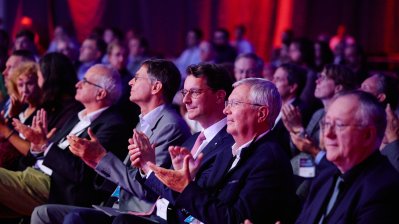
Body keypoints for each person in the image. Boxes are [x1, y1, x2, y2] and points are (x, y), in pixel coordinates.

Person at [31, 59, 191, 224]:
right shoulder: (145, 121)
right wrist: (94, 161)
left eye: (136, 78)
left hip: (137, 213)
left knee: (74, 218)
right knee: (43, 213)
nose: (130, 82)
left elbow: (147, 189)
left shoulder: (170, 126)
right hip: (114, 204)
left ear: (156, 87)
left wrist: (101, 158)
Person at [144, 78, 299, 223]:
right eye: (228, 103)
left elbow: (234, 219)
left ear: (261, 114)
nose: (226, 111)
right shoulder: (228, 150)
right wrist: (189, 179)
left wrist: (186, 186)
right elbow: (208, 201)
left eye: (235, 103)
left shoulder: (269, 160)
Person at [109, 63, 235, 224]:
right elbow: (165, 187)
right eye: (185, 92)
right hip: (153, 214)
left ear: (219, 96)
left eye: (194, 92)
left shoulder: (229, 144)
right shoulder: (193, 139)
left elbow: (190, 195)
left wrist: (149, 167)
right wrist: (146, 167)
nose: (185, 100)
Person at [0, 64, 130, 218]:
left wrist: (45, 145)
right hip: (33, 173)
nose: (78, 84)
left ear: (100, 93)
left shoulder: (112, 126)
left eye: (85, 81)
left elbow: (83, 173)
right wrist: (37, 146)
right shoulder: (78, 116)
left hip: (55, 187)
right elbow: (47, 149)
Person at [296, 90, 399, 223]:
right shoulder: (325, 176)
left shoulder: (383, 191)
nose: (328, 134)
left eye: (339, 125)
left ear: (367, 135)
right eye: (327, 124)